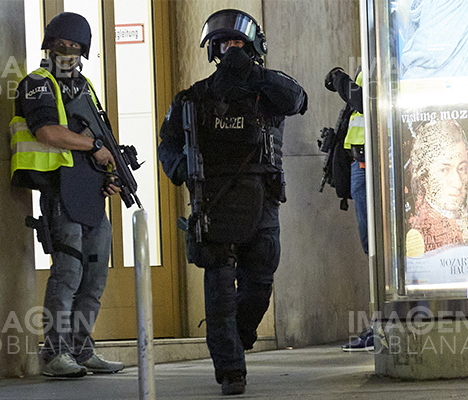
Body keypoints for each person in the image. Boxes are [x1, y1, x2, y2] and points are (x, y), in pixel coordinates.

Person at [158, 9, 307, 395]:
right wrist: (180, 168)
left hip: (262, 202)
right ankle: (230, 369)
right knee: (221, 292)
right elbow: (168, 143)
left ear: (253, 47)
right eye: (225, 44)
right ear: (214, 51)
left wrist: (256, 77)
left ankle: (236, 339)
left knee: (258, 285)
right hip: (215, 203)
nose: (232, 50)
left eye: (238, 43)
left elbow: (298, 99)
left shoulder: (267, 92)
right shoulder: (195, 97)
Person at [10, 12, 125, 377]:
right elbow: (48, 132)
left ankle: (81, 348)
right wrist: (95, 147)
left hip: (90, 194)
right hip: (59, 192)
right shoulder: (37, 83)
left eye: (75, 46)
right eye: (61, 45)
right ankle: (55, 354)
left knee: (94, 278)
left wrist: (110, 176)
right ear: (49, 46)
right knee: (67, 274)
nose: (67, 51)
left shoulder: (85, 86)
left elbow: (99, 135)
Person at [324, 66, 374, 352]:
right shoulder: (367, 62)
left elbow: (366, 101)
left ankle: (384, 323)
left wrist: (340, 81)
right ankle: (380, 322)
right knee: (371, 248)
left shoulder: (386, 54)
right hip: (360, 163)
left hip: (377, 164)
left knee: (380, 250)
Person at [406, 119, 468, 254]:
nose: (458, 183)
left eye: (462, 168)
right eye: (444, 170)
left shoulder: (462, 223)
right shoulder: (421, 235)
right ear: (424, 177)